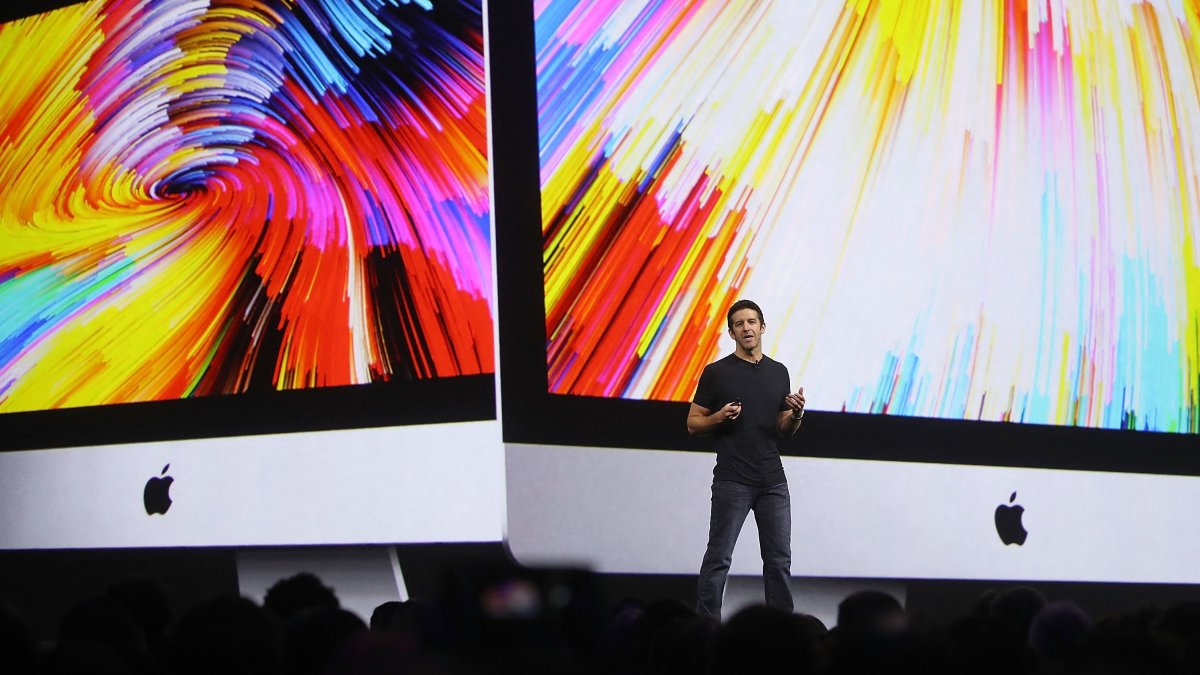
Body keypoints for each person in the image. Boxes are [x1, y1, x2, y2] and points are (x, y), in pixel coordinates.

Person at [688, 299, 805, 619]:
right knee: (719, 559)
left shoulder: (778, 372)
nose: (746, 328)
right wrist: (719, 418)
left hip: (772, 481)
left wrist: (796, 414)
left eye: (752, 322)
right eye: (739, 324)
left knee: (779, 562)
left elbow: (783, 428)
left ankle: (783, 633)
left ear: (762, 327)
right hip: (732, 479)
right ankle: (706, 628)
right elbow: (693, 423)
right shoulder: (716, 373)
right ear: (731, 332)